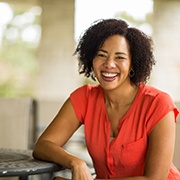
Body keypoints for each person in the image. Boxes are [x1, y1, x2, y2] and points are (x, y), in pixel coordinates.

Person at [33, 18, 180, 180]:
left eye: (120, 57)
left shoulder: (158, 103)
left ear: (132, 64)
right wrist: (75, 162)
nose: (109, 64)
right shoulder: (84, 98)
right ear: (91, 59)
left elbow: (155, 179)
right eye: (101, 55)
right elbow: (43, 145)